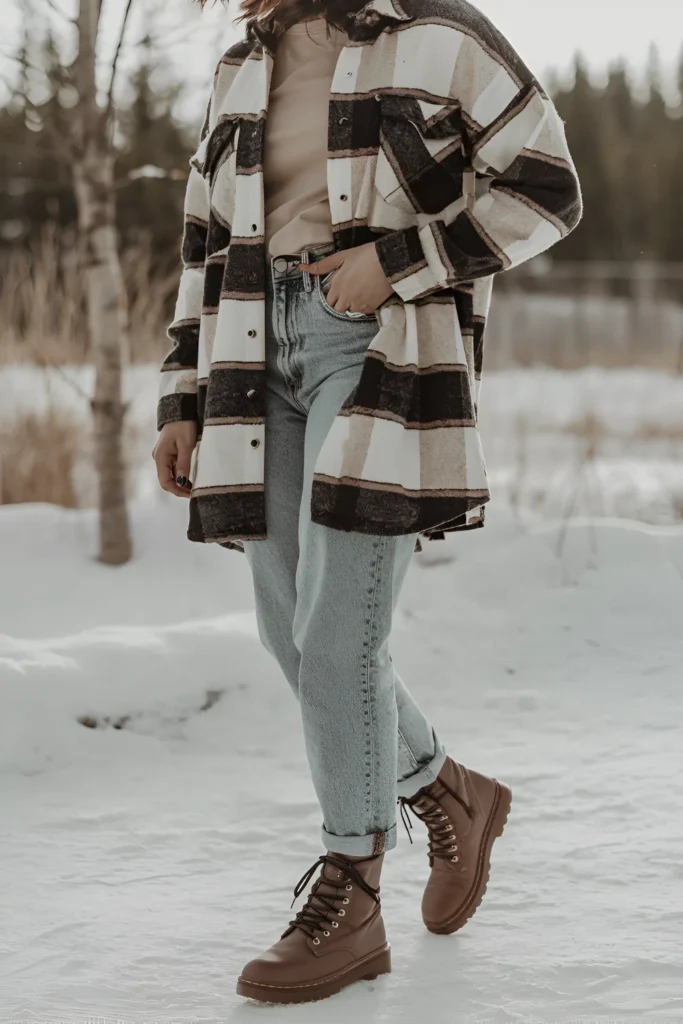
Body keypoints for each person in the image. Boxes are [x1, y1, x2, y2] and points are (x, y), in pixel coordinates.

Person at [153, 0, 582, 1004]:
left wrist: (393, 264)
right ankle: (445, 789)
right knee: (289, 634)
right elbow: (203, 244)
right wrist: (180, 396)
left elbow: (548, 190)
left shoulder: (441, 35)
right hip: (250, 357)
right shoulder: (237, 66)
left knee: (338, 635)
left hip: (379, 344)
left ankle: (351, 885)